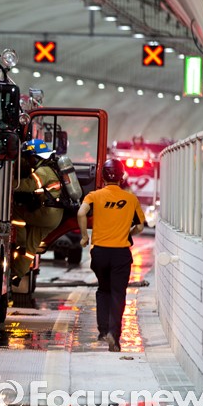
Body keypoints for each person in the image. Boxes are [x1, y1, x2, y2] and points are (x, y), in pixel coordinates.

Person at [77, 158, 145, 352]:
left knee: (103, 290)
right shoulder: (131, 199)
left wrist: (84, 236)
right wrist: (128, 232)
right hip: (120, 254)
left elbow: (81, 213)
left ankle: (103, 330)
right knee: (118, 293)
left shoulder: (94, 196)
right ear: (121, 177)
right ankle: (114, 334)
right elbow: (140, 226)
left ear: (103, 177)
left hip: (100, 253)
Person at [11, 139, 64, 286]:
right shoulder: (53, 168)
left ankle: (19, 240)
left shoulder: (43, 171)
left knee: (16, 212)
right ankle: (16, 274)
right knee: (31, 247)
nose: (28, 161)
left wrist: (9, 183)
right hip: (55, 218)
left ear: (35, 157)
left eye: (29, 157)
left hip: (46, 213)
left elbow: (29, 185)